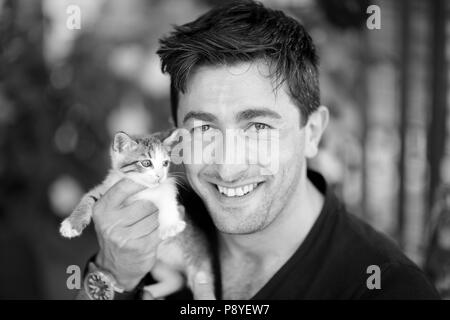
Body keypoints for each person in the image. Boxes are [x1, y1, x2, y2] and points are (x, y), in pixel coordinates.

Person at [77, 0, 440, 300]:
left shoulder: (387, 289)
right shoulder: (147, 226)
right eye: (204, 128)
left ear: (312, 133)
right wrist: (110, 276)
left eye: (258, 127)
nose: (228, 167)